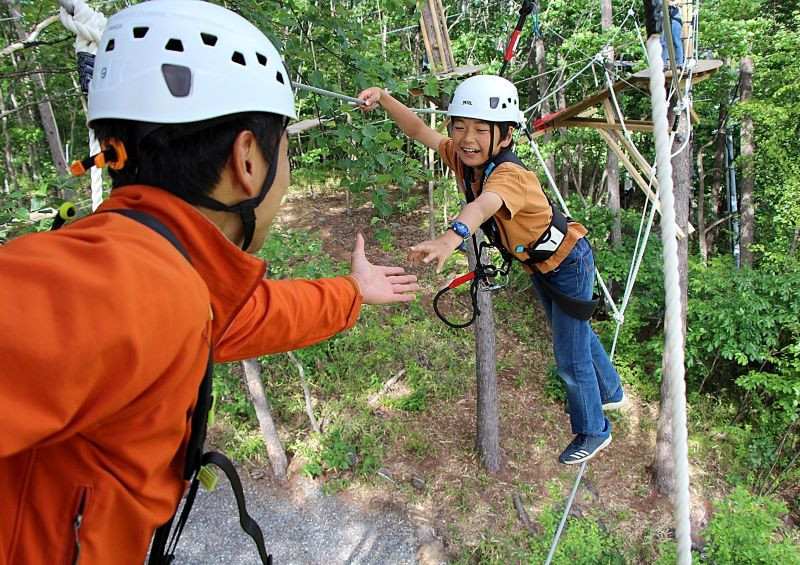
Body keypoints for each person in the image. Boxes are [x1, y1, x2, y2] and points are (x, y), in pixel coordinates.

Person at [0, 1, 419, 563]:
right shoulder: (118, 284)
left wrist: (350, 293)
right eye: (286, 151)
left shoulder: (169, 280)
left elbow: (245, 314)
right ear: (248, 160)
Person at [358, 75, 625, 466]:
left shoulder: (509, 175)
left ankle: (593, 429)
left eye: (481, 129)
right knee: (572, 332)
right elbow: (417, 129)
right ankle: (612, 391)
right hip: (542, 264)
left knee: (569, 358)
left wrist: (449, 239)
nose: (467, 137)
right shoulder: (464, 158)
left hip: (567, 261)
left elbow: (482, 207)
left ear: (504, 136)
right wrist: (382, 97)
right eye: (460, 126)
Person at [661, 0, 685, 69]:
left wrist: (671, 3)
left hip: (675, 19)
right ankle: (664, 65)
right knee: (663, 42)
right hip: (664, 19)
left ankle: (680, 63)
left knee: (676, 41)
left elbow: (679, 1)